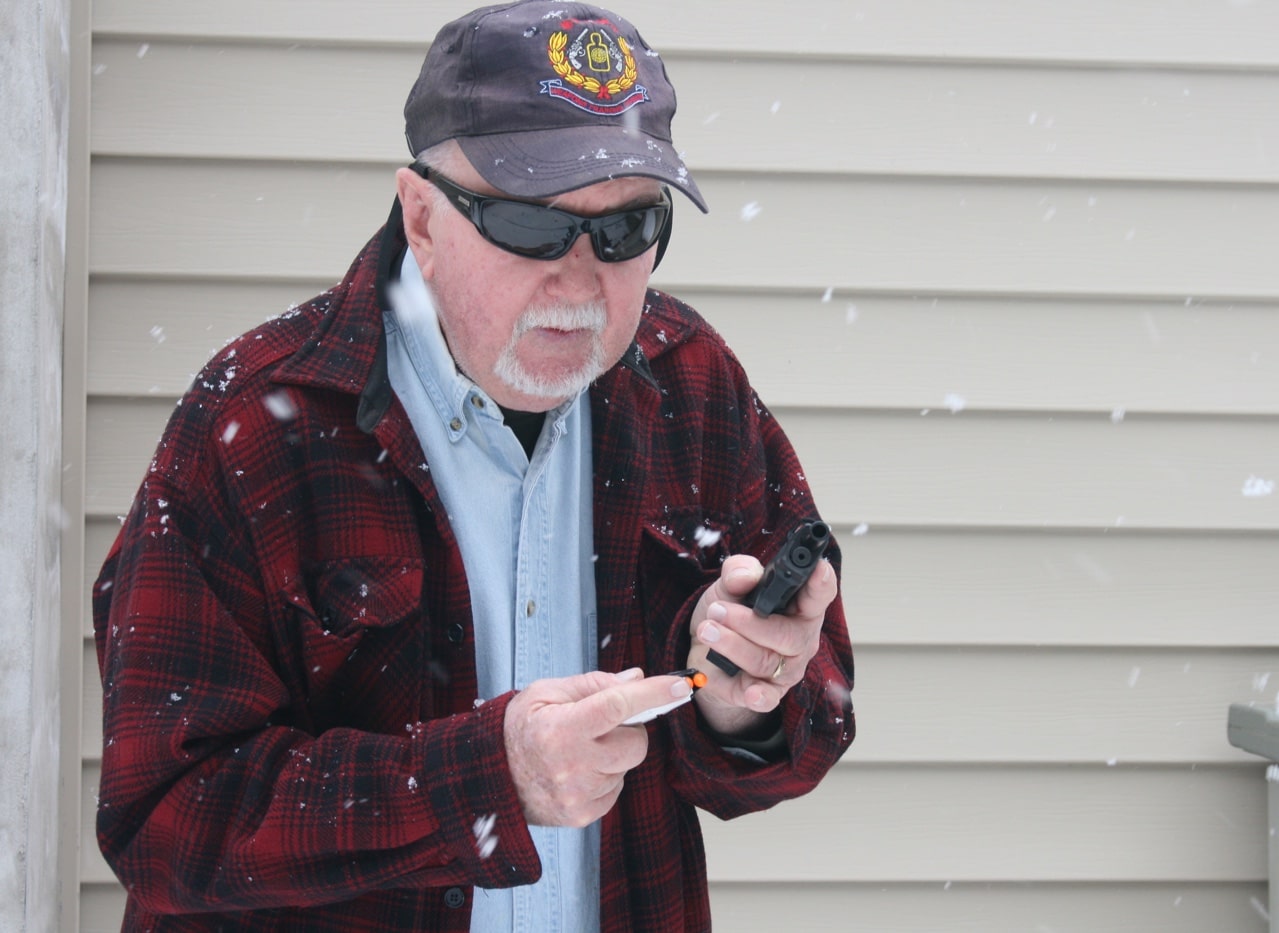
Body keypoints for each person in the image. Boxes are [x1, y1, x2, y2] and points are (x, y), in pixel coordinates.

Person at [92, 2, 855, 930]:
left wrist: (744, 702)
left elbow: (800, 726)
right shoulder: (257, 421)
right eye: (530, 226)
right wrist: (485, 779)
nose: (581, 281)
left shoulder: (693, 388)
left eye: (626, 230)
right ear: (421, 215)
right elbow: (166, 819)